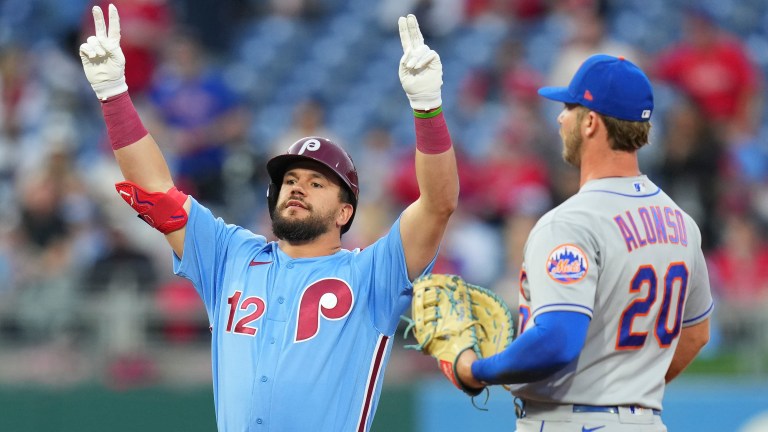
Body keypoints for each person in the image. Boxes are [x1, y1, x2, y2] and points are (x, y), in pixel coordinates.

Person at [78, 5, 459, 431]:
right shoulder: (230, 255)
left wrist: (427, 109)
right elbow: (154, 189)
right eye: (290, 179)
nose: (297, 187)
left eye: (317, 183)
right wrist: (113, 93)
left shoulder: (372, 273)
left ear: (345, 211)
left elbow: (438, 203)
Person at [453, 54, 714, 431]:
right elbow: (696, 333)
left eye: (568, 107)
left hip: (572, 421)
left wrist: (474, 370)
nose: (560, 118)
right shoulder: (681, 223)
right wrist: (630, 393)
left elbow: (558, 339)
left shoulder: (569, 222)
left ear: (590, 121)